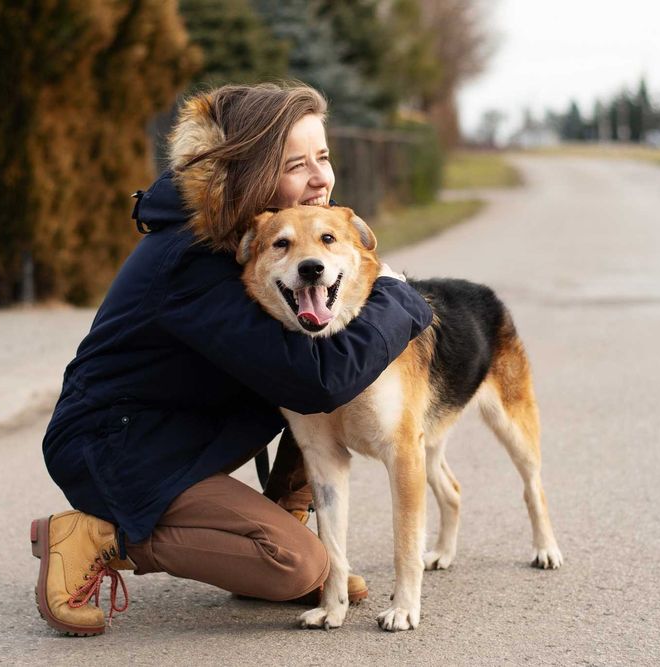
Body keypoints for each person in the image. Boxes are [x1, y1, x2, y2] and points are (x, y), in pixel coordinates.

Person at [31, 82, 434, 636]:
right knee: (295, 566)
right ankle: (99, 536)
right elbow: (318, 381)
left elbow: (325, 358)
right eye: (297, 164)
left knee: (320, 357)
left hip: (189, 436)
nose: (321, 177)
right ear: (250, 169)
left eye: (324, 157)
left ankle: (272, 519)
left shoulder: (257, 236)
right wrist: (402, 295)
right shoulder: (193, 260)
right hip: (119, 446)